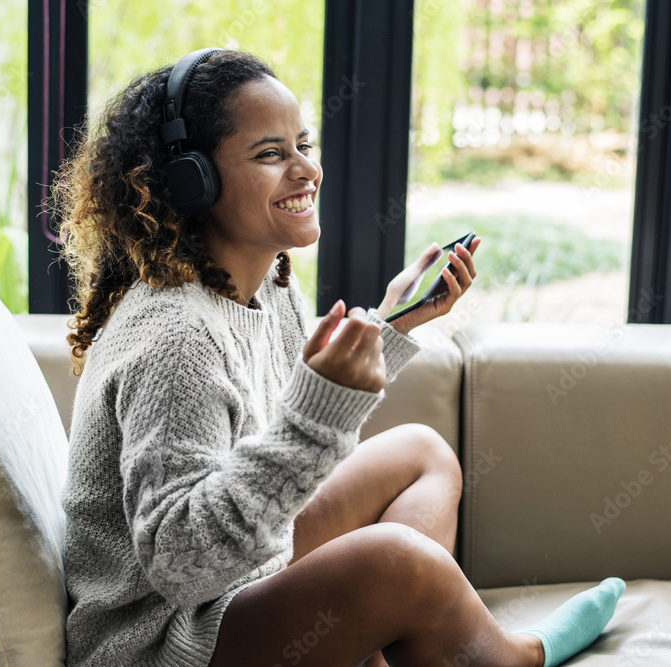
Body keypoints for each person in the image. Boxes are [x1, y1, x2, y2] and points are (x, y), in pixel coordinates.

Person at [52, 46, 625, 667]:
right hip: (168, 642)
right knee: (397, 560)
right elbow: (183, 567)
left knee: (422, 452)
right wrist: (317, 420)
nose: (306, 170)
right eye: (271, 154)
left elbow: (277, 457)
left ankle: (385, 645)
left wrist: (391, 325)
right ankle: (513, 656)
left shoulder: (267, 288)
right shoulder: (176, 338)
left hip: (238, 584)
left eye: (304, 144)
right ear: (194, 180)